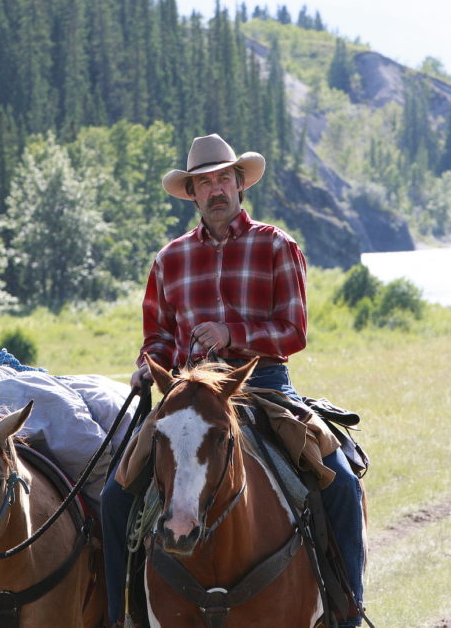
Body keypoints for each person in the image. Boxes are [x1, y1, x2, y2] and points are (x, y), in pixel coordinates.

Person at [100, 134, 366, 627]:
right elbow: (157, 335)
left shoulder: (276, 245)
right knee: (115, 498)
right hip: (185, 397)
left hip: (264, 385)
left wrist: (232, 333)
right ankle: (120, 616)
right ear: (193, 193)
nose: (215, 189)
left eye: (224, 178)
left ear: (240, 184)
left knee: (341, 482)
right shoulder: (169, 260)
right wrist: (147, 365)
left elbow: (294, 330)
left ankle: (348, 607)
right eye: (204, 182)